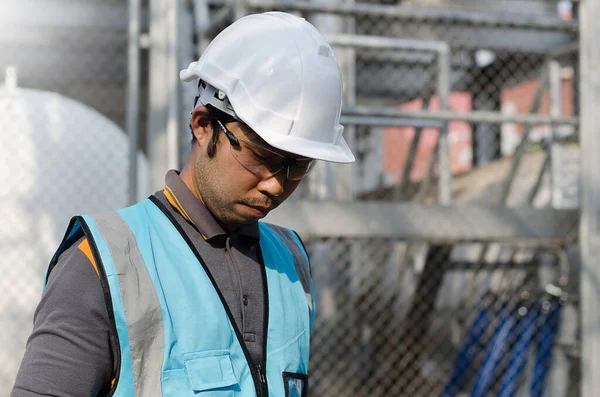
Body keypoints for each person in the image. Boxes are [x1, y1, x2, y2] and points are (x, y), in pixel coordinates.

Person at [11, 11, 354, 397]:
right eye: (261, 157)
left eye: (297, 166)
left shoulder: (292, 262)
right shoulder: (102, 264)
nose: (275, 184)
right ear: (203, 124)